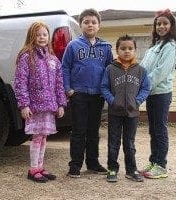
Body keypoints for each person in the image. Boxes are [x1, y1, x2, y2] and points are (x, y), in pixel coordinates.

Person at [62, 8, 113, 178]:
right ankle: (75, 165)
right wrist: (68, 89)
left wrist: (107, 91)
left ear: (99, 26)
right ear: (81, 24)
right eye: (86, 22)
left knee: (93, 130)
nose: (90, 25)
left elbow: (109, 70)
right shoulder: (73, 45)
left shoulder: (106, 47)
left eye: (93, 22)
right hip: (79, 94)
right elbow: (65, 67)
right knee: (78, 130)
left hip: (97, 95)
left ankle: (93, 163)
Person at [13, 22, 67, 183]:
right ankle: (33, 169)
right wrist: (24, 104)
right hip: (35, 106)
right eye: (38, 34)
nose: (42, 37)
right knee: (37, 137)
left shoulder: (53, 59)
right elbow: (20, 82)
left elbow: (59, 83)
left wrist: (61, 103)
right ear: (32, 36)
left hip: (49, 106)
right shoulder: (26, 57)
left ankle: (40, 167)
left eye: (45, 34)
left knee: (44, 137)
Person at [101, 35, 150, 182]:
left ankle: (131, 170)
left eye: (130, 48)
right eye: (123, 48)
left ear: (135, 50)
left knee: (129, 142)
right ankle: (112, 169)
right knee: (113, 141)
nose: (127, 51)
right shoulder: (110, 69)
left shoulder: (141, 70)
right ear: (117, 50)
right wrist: (112, 100)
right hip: (115, 112)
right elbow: (104, 87)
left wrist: (138, 100)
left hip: (132, 113)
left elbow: (146, 87)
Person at [139, 9, 176, 179]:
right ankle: (154, 161)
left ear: (171, 26)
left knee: (160, 129)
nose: (161, 26)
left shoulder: (170, 46)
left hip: (161, 94)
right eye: (158, 23)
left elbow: (160, 72)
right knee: (153, 129)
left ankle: (161, 166)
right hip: (151, 93)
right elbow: (143, 68)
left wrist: (142, 86)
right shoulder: (154, 47)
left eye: (165, 23)